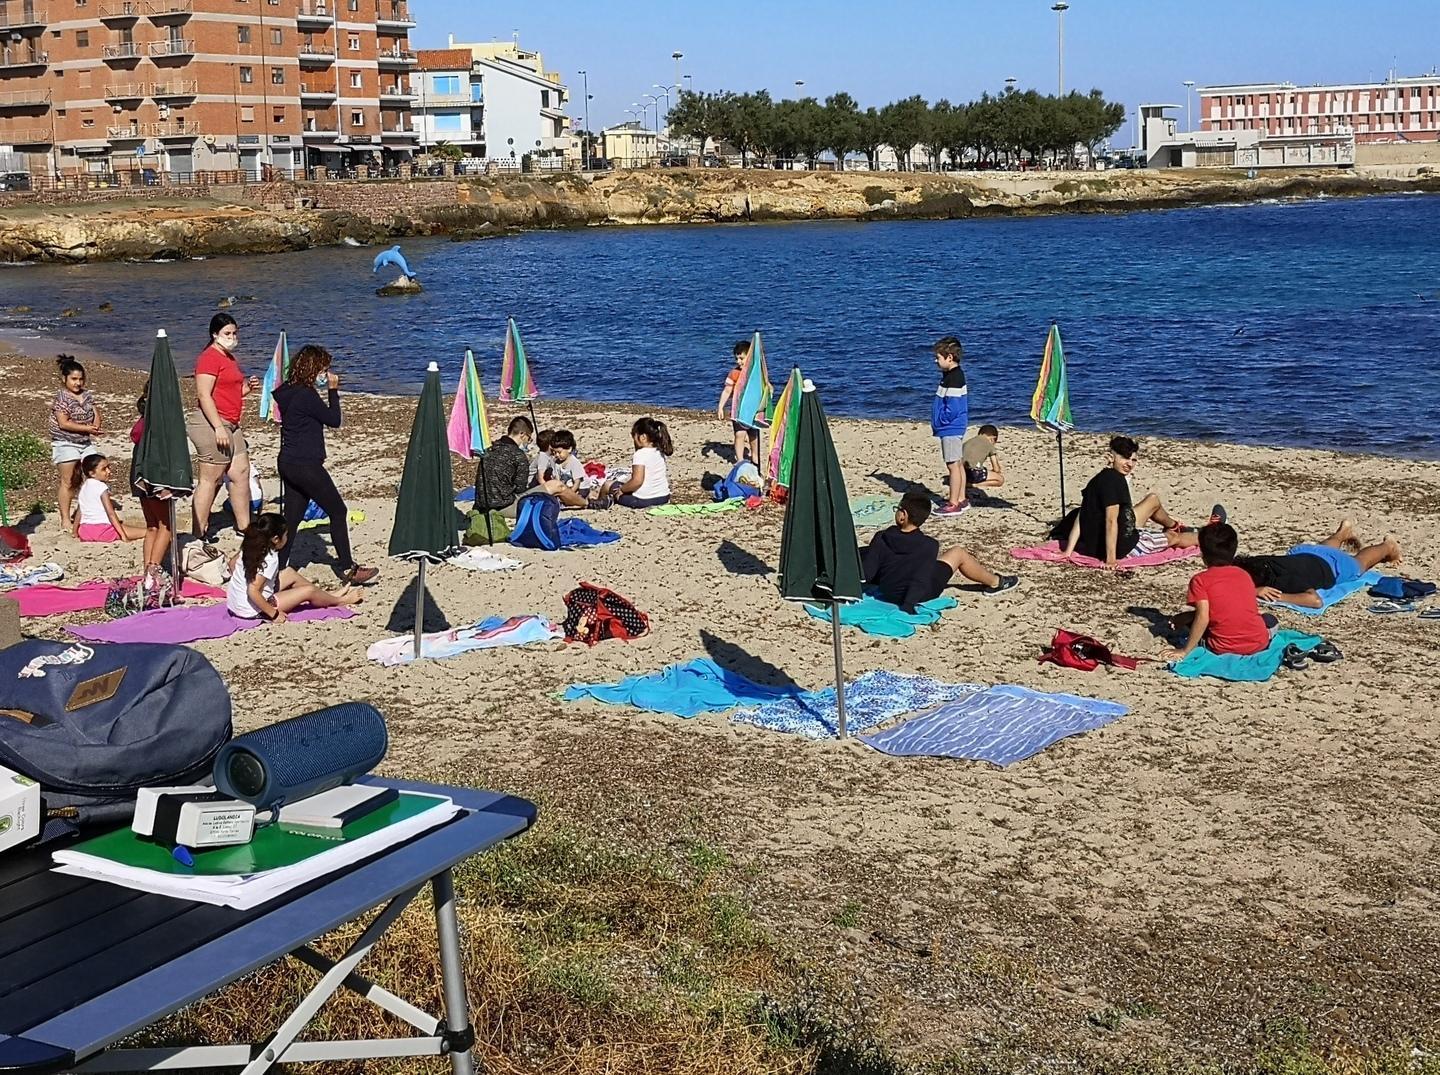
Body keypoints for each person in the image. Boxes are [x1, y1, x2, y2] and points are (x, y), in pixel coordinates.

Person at [271, 344, 379, 585]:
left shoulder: (286, 391)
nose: (326, 373)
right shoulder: (306, 395)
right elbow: (334, 419)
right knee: (338, 511)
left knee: (292, 518)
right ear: (312, 369)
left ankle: (276, 568)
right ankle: (347, 567)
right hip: (305, 464)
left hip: (288, 461)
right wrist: (333, 390)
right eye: (323, 369)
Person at [1060, 436, 1221, 569]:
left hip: (1098, 547)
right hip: (1126, 546)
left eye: (1133, 460)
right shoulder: (1116, 481)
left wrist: (1068, 551)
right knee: (1173, 538)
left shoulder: (1096, 480)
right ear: (1110, 457)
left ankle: (1177, 525)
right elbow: (1111, 520)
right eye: (1124, 458)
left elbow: (1082, 517)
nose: (1129, 464)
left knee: (1153, 501)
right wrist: (1111, 559)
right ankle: (1213, 535)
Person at [862, 491, 1018, 613]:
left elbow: (868, 573)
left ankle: (996, 582)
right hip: (917, 594)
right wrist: (908, 606)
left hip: (888, 592)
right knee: (958, 553)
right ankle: (996, 582)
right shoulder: (929, 545)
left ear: (903, 515)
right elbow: (920, 579)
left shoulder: (881, 537)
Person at [187, 313, 261, 543]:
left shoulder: (229, 358)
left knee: (241, 472)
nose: (232, 337)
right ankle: (198, 532)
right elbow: (203, 394)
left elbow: (230, 393)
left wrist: (248, 387)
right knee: (211, 479)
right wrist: (218, 427)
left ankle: (244, 526)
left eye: (234, 333)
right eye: (227, 333)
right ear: (215, 335)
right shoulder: (209, 358)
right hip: (212, 423)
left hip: (231, 423)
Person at [226, 513, 363, 623]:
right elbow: (253, 591)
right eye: (285, 535)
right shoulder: (270, 558)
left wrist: (239, 585)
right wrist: (274, 615)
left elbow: (232, 564)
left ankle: (327, 596)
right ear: (275, 539)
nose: (287, 538)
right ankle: (340, 601)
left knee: (289, 573)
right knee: (308, 591)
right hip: (253, 609)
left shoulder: (250, 545)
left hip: (235, 604)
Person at [1164, 523, 1272, 661]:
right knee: (1269, 619)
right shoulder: (1243, 574)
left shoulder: (1200, 581)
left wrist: (1185, 650)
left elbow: (1203, 618)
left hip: (1222, 648)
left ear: (1202, 552)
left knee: (1193, 626)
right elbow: (1231, 608)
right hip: (1259, 644)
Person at [1236, 519, 1403, 608]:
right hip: (1304, 552)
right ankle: (1343, 532)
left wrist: (1278, 596)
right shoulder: (1256, 562)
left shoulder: (1284, 581)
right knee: (1325, 550)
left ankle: (1388, 546)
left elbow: (1315, 601)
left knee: (1359, 564)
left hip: (1332, 568)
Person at [129, 381, 176, 599]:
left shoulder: (143, 421)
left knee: (152, 526)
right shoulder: (157, 422)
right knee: (166, 525)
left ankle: (147, 572)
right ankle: (153, 571)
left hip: (138, 474)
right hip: (153, 476)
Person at [49, 355, 101, 532]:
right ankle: (65, 518)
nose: (78, 383)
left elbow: (95, 411)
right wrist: (87, 428)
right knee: (68, 480)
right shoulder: (62, 398)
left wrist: (96, 425)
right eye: (74, 379)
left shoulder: (86, 395)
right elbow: (64, 423)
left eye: (80, 379)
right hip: (65, 442)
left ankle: (84, 513)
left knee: (93, 475)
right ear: (64, 379)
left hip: (85, 442)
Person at [930, 336, 969, 515]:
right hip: (954, 426)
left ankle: (953, 503)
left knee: (953, 465)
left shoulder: (953, 378)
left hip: (951, 427)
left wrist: (941, 421)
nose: (936, 361)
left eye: (938, 357)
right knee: (958, 463)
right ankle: (961, 499)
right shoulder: (951, 376)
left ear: (949, 358)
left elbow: (952, 408)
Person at [595, 417, 673, 509]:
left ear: (643, 437)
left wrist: (622, 490)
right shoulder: (659, 452)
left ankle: (600, 503)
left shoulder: (640, 454)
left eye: (634, 436)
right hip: (663, 497)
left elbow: (637, 481)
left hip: (644, 500)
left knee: (608, 485)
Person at [73, 455, 146, 543]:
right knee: (146, 532)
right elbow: (110, 513)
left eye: (108, 467)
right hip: (103, 531)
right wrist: (123, 536)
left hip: (85, 531)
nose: (108, 471)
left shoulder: (84, 487)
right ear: (92, 473)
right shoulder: (101, 487)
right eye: (104, 469)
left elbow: (80, 511)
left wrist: (75, 531)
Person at [474, 416, 535, 520]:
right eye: (529, 438)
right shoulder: (518, 455)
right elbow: (520, 488)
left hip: (481, 504)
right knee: (552, 488)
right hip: (503, 505)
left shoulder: (489, 448)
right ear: (522, 434)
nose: (527, 442)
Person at [717, 339, 762, 474]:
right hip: (739, 411)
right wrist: (721, 407)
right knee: (740, 434)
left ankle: (755, 458)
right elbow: (727, 390)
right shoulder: (734, 373)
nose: (739, 362)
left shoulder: (756, 374)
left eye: (741, 358)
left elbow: (764, 387)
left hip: (753, 411)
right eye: (737, 359)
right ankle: (740, 459)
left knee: (754, 436)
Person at [534, 429, 595, 509]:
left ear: (569, 449)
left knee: (576, 499)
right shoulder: (556, 463)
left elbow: (577, 482)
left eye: (559, 452)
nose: (556, 455)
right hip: (566, 487)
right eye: (554, 452)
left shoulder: (574, 462)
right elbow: (557, 479)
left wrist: (570, 493)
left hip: (580, 488)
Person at [962, 424, 1005, 497]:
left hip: (962, 472)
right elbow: (996, 468)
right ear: (993, 438)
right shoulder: (989, 444)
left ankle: (965, 482)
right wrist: (996, 471)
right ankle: (974, 485)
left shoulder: (967, 442)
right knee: (1000, 480)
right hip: (975, 473)